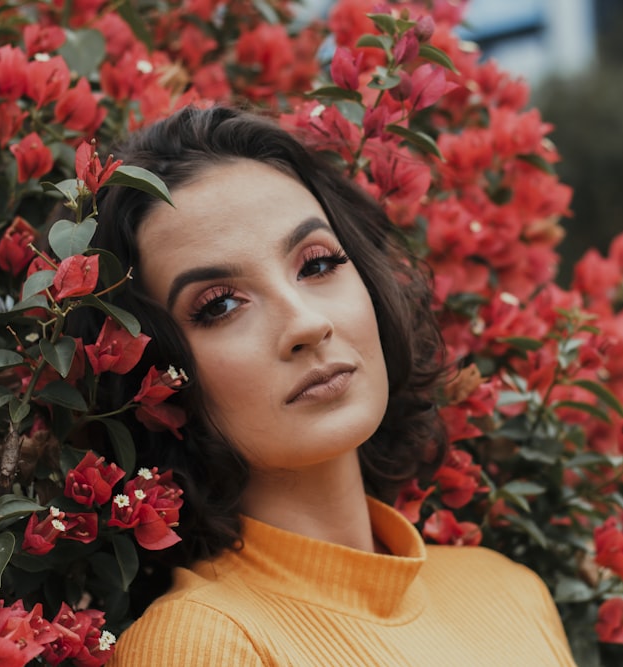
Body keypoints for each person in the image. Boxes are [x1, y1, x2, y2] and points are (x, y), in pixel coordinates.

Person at [88, 106, 577, 666]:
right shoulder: (203, 644)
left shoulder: (509, 591)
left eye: (317, 265)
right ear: (156, 381)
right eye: (220, 305)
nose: (306, 323)